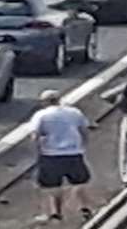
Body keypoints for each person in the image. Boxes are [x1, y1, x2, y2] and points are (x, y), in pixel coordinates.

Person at [30, 89, 94, 222]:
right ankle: (85, 207)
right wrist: (82, 146)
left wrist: (38, 152)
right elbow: (84, 130)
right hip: (74, 153)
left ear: (45, 102)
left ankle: (56, 212)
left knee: (52, 186)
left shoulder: (41, 115)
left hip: (51, 154)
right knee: (79, 181)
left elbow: (35, 135)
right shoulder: (74, 112)